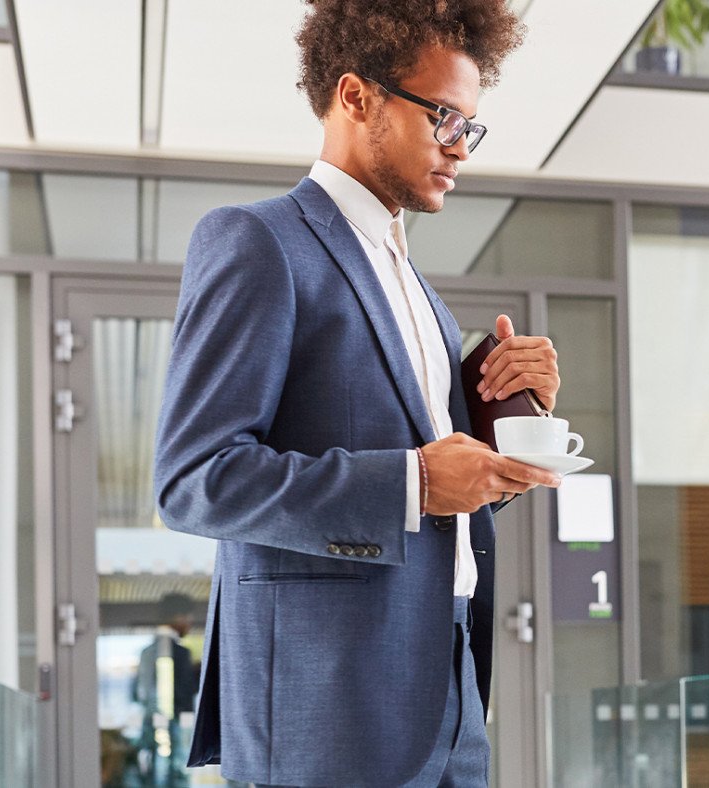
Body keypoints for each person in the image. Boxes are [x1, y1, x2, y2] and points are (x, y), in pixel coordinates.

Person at [153, 2, 562, 785]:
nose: (459, 147)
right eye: (442, 115)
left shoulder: (423, 297)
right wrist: (414, 480)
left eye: (469, 126)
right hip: (325, 707)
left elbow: (440, 490)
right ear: (356, 95)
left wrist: (510, 426)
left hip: (449, 689)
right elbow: (194, 481)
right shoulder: (258, 242)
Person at [131, 593, 200, 786]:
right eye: (189, 617)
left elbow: (137, 693)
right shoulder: (179, 653)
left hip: (150, 722)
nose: (190, 623)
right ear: (178, 617)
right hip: (175, 723)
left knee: (153, 771)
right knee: (175, 772)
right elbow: (185, 692)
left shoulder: (147, 652)